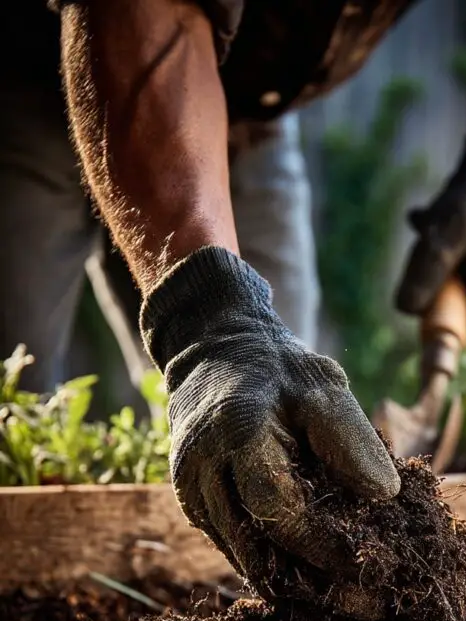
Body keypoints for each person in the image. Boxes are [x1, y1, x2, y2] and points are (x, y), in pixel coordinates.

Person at [51, 0, 466, 588]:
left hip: (252, 100)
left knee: (270, 432)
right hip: (67, 57)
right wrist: (211, 323)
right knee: (23, 396)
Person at [1, 6, 319, 395]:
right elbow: (156, 19)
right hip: (35, 74)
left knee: (282, 384)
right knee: (14, 384)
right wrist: (221, 319)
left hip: (249, 103)